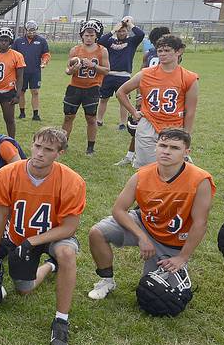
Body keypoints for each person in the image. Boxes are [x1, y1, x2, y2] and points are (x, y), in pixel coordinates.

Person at [0, 127, 86, 345]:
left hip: (53, 237)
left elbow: (69, 227)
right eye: (38, 146)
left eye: (48, 149)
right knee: (24, 289)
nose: (40, 153)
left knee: (67, 253)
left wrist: (32, 241)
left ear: (59, 153)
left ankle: (61, 320)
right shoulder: (8, 173)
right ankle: (51, 267)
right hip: (18, 237)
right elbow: (0, 215)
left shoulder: (72, 181)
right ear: (31, 144)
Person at [87, 128, 213, 300]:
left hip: (173, 239)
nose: (166, 151)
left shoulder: (200, 180)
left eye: (174, 148)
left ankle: (176, 269)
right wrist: (142, 237)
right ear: (156, 147)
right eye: (163, 145)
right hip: (144, 224)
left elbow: (200, 223)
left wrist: (183, 257)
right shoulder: (142, 175)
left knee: (162, 297)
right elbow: (118, 209)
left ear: (186, 152)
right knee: (97, 232)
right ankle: (106, 280)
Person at [115, 35, 199, 168]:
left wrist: (186, 135)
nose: (162, 54)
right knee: (146, 167)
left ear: (178, 51)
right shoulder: (145, 74)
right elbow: (121, 92)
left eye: (167, 50)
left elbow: (190, 111)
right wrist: (133, 112)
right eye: (160, 51)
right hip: (149, 123)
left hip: (174, 125)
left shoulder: (189, 78)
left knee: (172, 168)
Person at [63, 20, 111, 155]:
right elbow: (67, 71)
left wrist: (93, 65)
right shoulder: (75, 50)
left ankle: (90, 147)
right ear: (82, 35)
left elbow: (107, 70)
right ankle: (63, 143)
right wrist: (73, 69)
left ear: (96, 35)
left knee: (91, 118)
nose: (89, 38)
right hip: (74, 87)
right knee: (68, 117)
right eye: (86, 35)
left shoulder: (103, 50)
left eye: (91, 35)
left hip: (92, 88)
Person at [97, 16, 145, 127]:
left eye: (123, 31)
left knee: (123, 101)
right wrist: (113, 30)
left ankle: (122, 123)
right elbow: (100, 41)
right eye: (119, 31)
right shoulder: (110, 42)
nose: (121, 33)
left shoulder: (132, 42)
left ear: (127, 31)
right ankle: (99, 120)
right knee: (103, 99)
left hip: (124, 76)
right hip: (108, 75)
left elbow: (140, 34)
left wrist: (130, 24)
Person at [13, 21, 51, 121]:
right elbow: (13, 55)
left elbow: (46, 54)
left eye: (33, 31)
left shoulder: (41, 41)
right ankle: (22, 112)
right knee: (21, 91)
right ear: (25, 30)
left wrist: (44, 62)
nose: (31, 33)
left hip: (35, 71)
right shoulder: (18, 41)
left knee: (35, 92)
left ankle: (35, 114)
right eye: (29, 31)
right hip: (21, 71)